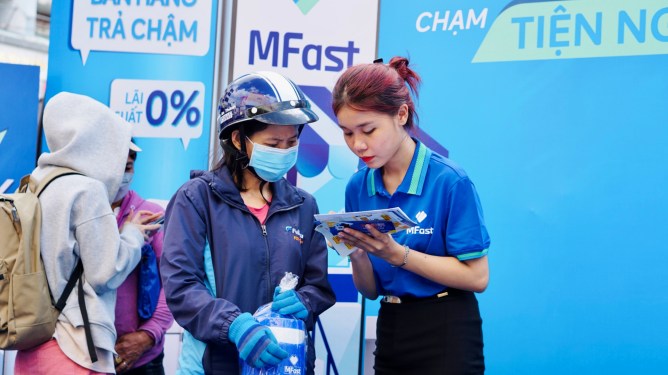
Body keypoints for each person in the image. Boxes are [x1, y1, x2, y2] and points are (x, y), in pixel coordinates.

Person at [161, 71, 336, 374]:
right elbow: (181, 286)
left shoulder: (304, 206)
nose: (284, 152)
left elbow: (318, 286)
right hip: (215, 365)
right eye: (273, 143)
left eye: (291, 142)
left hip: (286, 364)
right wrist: (234, 325)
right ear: (238, 139)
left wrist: (305, 301)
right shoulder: (197, 199)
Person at [331, 57, 491, 375]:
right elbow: (370, 290)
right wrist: (358, 255)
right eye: (347, 133)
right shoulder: (358, 187)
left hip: (446, 328)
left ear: (401, 114)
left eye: (368, 130)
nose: (358, 144)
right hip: (390, 327)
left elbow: (477, 277)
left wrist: (397, 254)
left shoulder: (448, 180)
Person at [14, 92, 161, 374]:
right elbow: (105, 272)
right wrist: (131, 234)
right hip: (75, 347)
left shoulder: (35, 182)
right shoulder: (87, 190)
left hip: (32, 343)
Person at [111, 146, 174, 374]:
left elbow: (173, 282)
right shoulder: (82, 216)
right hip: (85, 356)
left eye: (127, 167)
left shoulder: (152, 215)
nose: (121, 176)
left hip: (144, 360)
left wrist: (148, 335)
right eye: (113, 167)